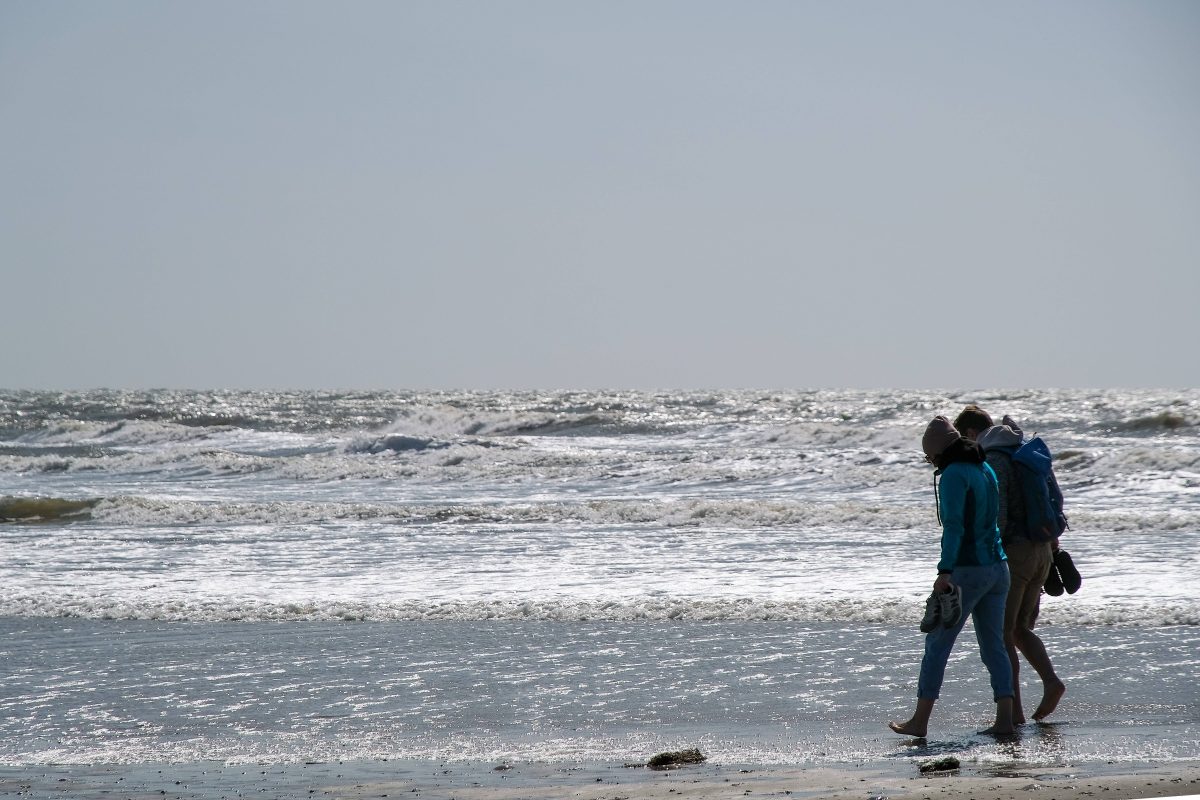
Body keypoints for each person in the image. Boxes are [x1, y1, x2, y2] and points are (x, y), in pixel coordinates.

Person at [889, 416, 1014, 737]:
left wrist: (945, 571)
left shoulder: (954, 475)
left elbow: (955, 527)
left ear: (938, 453)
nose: (929, 462)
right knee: (994, 647)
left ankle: (920, 721)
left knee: (937, 644)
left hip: (967, 570)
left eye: (928, 456)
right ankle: (1005, 719)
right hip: (999, 567)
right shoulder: (984, 467)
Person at [954, 405, 1067, 724]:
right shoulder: (1023, 449)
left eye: (965, 439)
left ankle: (1013, 714)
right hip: (1043, 550)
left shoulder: (992, 460)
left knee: (1003, 635)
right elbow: (1055, 499)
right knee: (1019, 629)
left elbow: (998, 517)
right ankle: (1050, 681)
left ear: (973, 434)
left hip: (1014, 555)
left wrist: (984, 558)